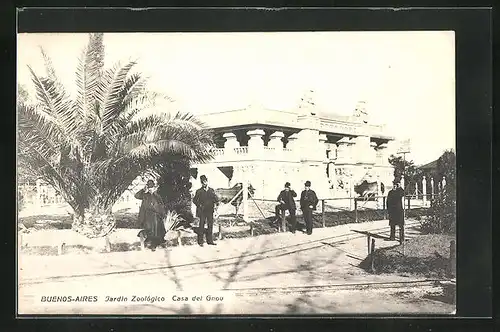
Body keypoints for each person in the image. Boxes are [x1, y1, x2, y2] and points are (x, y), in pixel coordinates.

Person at [135, 179, 167, 250]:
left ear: (154, 187)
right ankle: (152, 244)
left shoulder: (157, 196)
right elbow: (136, 196)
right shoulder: (145, 195)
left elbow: (161, 205)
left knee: (158, 230)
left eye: (151, 187)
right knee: (150, 230)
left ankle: (156, 244)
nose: (150, 189)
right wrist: (143, 190)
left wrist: (162, 214)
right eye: (149, 188)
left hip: (156, 215)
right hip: (147, 216)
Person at [192, 175, 220, 246]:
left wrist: (217, 203)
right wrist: (199, 205)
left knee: (210, 225)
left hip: (210, 211)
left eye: (205, 182)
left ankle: (210, 241)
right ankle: (200, 242)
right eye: (202, 182)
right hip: (202, 211)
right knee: (201, 226)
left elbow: (215, 199)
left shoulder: (211, 190)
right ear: (201, 183)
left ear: (207, 181)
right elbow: (194, 200)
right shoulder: (199, 191)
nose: (204, 183)